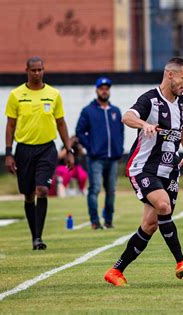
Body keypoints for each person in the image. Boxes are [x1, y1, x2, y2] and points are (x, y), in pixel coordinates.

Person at [104, 57, 183, 286]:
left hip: (169, 169)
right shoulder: (150, 100)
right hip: (143, 168)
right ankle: (181, 261)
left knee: (150, 224)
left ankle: (116, 271)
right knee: (163, 206)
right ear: (170, 75)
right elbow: (127, 116)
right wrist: (144, 125)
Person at [4, 56, 75, 250]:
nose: (37, 73)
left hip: (47, 149)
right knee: (28, 195)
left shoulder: (53, 94)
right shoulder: (16, 95)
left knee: (42, 189)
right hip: (24, 149)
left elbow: (61, 123)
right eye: (33, 70)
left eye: (40, 70)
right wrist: (9, 153)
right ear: (27, 70)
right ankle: (33, 235)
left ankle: (38, 237)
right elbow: (10, 125)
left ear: (44, 70)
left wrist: (68, 150)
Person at [76, 77, 124, 229]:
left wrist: (119, 148)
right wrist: (91, 148)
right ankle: (95, 221)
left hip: (113, 158)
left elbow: (120, 132)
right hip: (96, 158)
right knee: (95, 189)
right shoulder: (88, 111)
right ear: (97, 90)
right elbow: (79, 132)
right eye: (101, 88)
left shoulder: (115, 111)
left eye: (106, 88)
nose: (104, 91)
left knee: (111, 191)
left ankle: (108, 221)